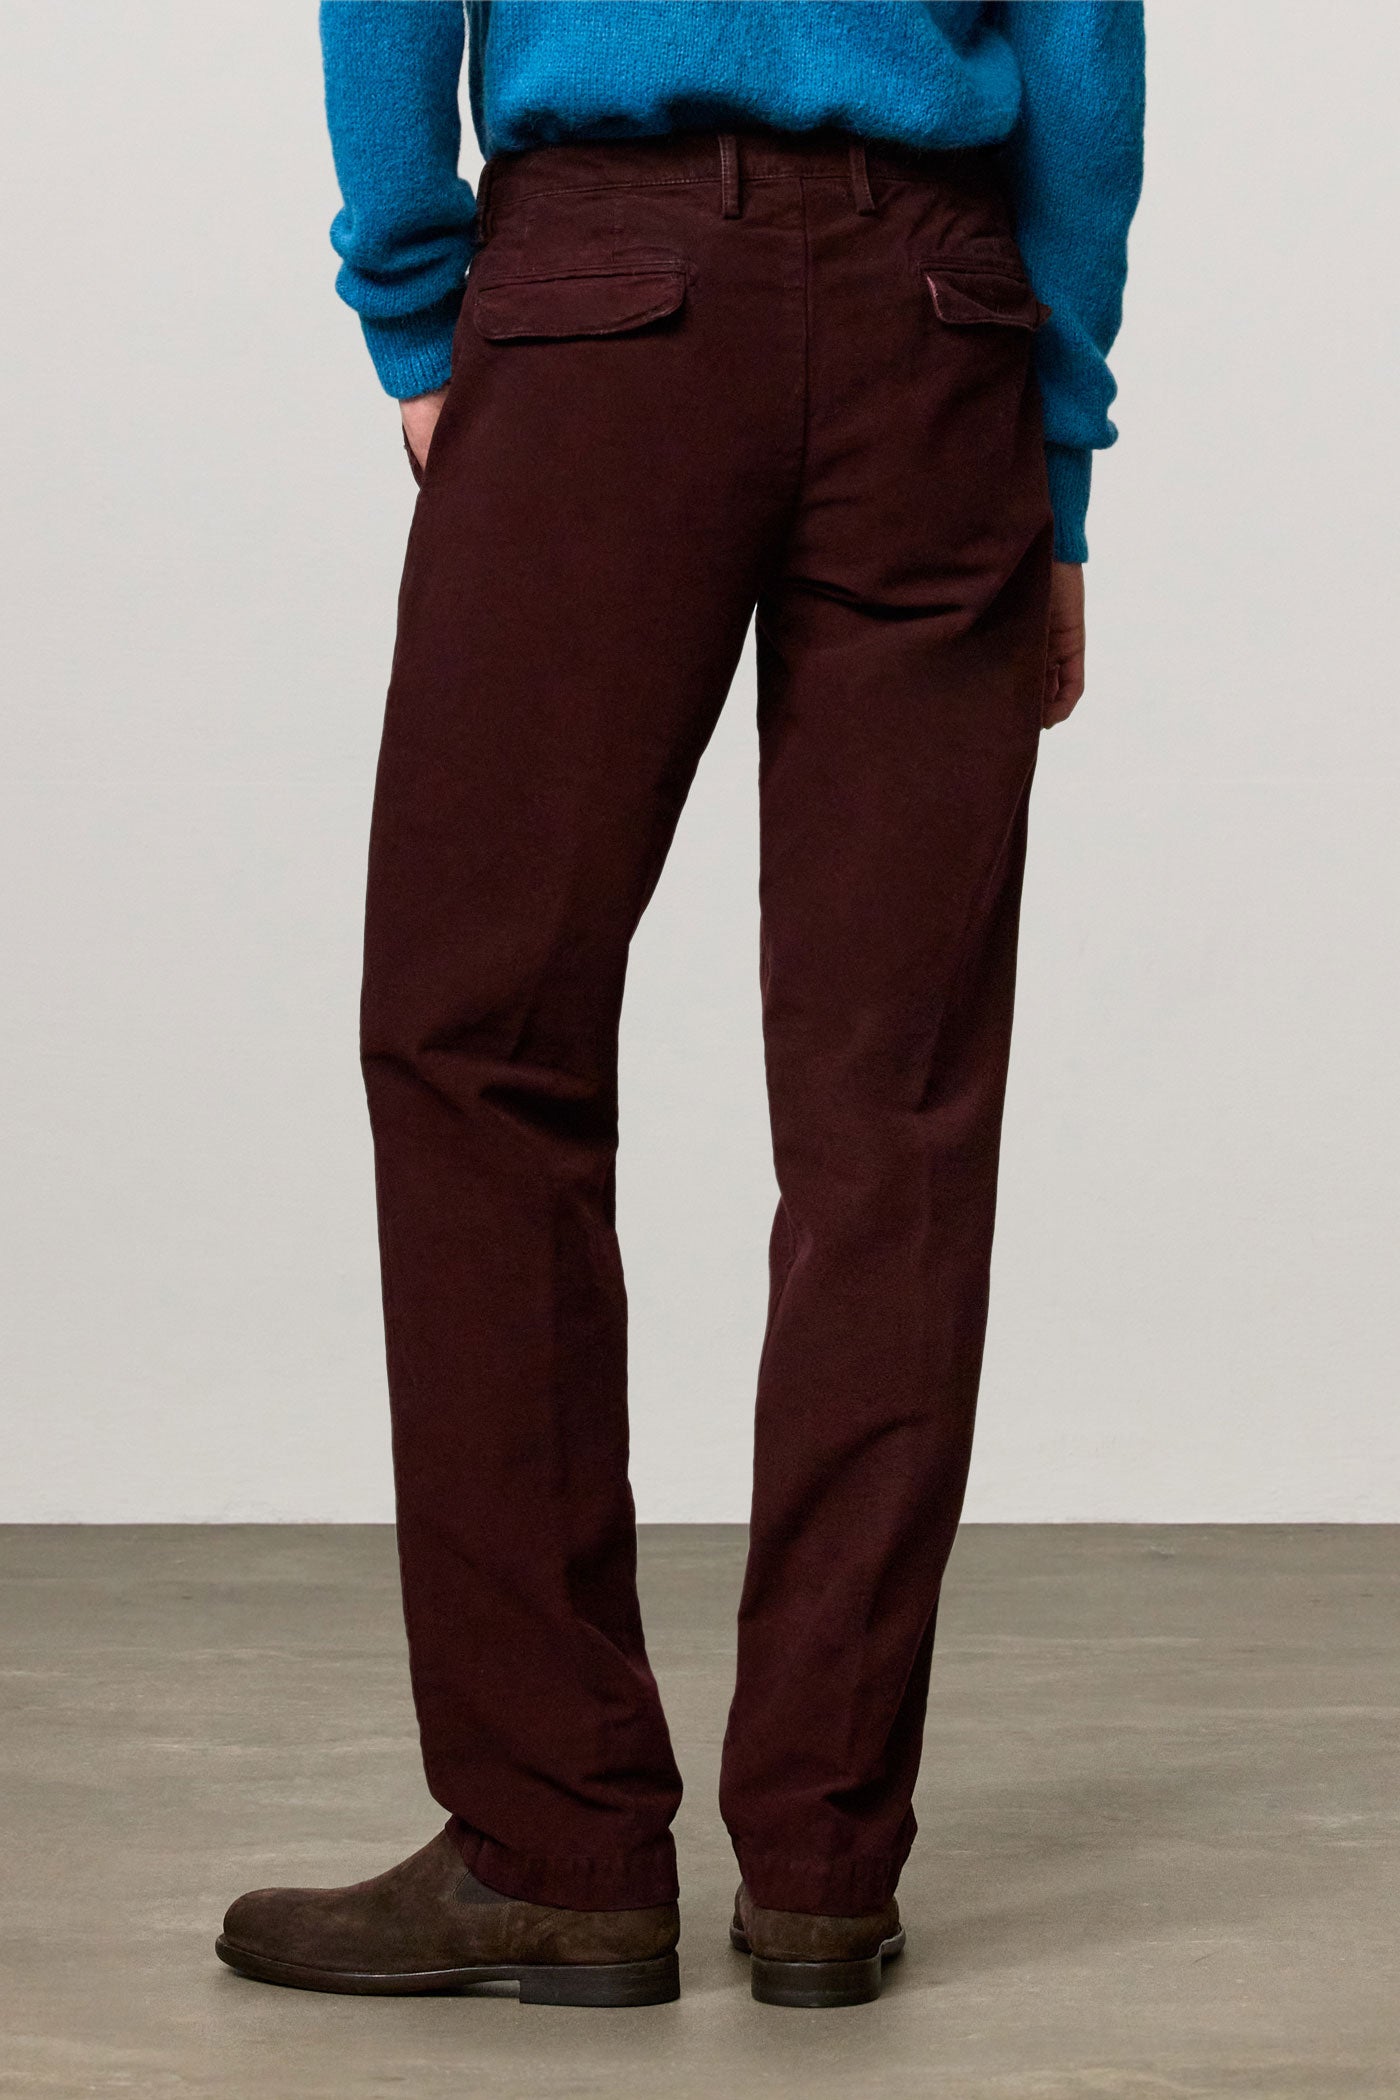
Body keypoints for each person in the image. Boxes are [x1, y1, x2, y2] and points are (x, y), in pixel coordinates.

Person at [217, 0, 1144, 2010]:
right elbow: (1080, 39)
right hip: (942, 325)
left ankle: (554, 1844)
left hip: (602, 307)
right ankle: (824, 1864)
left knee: (482, 1049)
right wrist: (1055, 450)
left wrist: (417, 312)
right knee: (893, 1109)